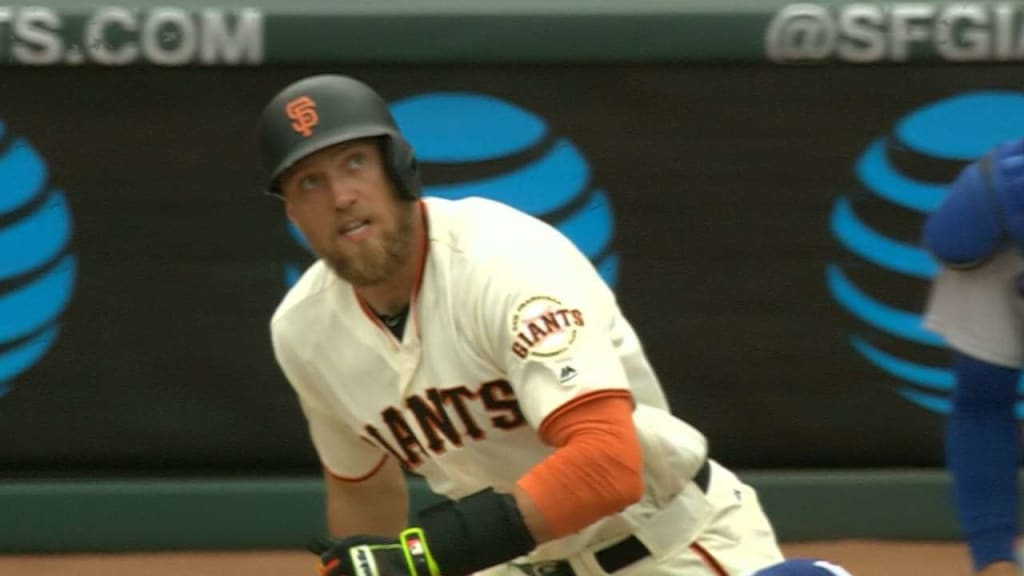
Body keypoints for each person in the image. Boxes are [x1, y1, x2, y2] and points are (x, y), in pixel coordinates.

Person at [259, 74, 852, 576]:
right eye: (311, 181)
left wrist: (422, 558)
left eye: (355, 162)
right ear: (292, 212)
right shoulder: (304, 331)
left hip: (662, 546)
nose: (341, 196)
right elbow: (361, 487)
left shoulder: (503, 262)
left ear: (399, 167)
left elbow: (606, 466)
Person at [923, 138, 1024, 576]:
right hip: (1003, 233)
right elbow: (984, 406)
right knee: (984, 393)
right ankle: (994, 563)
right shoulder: (996, 205)